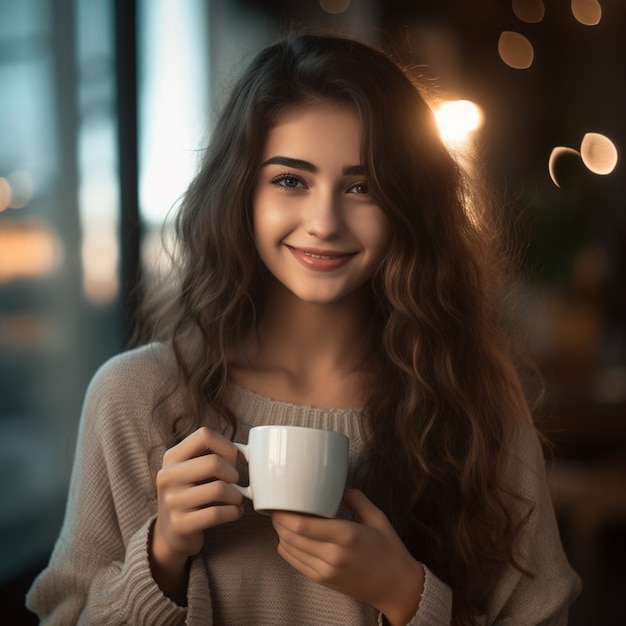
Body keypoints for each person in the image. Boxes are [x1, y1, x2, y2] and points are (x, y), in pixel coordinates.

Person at [26, 32, 580, 625]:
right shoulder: (135, 398)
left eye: (362, 186)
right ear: (241, 195)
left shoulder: (477, 406)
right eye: (290, 180)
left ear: (409, 207)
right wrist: (161, 558)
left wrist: (406, 596)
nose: (324, 222)